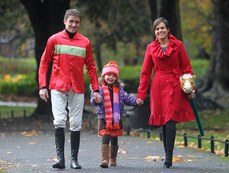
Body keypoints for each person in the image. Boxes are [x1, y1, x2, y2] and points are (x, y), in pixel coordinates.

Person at [38, 9, 101, 169]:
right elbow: (44, 62)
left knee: (76, 123)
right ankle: (61, 160)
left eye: (77, 22)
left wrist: (96, 89)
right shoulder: (54, 39)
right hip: (58, 86)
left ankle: (74, 160)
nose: (74, 24)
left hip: (77, 87)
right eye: (71, 21)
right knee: (59, 121)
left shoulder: (85, 42)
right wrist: (42, 86)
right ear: (65, 21)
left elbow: (91, 67)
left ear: (79, 23)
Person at [136, 17, 196, 168]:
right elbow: (145, 73)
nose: (160, 31)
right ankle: (166, 153)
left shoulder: (178, 45)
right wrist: (141, 94)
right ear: (154, 32)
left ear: (168, 30)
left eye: (162, 28)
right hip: (158, 85)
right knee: (163, 120)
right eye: (157, 29)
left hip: (176, 84)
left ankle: (169, 157)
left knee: (170, 119)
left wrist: (190, 86)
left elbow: (186, 67)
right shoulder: (150, 48)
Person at [90, 61, 142, 168]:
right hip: (105, 117)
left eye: (113, 76)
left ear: (116, 77)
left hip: (116, 118)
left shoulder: (120, 89)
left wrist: (136, 100)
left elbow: (127, 98)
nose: (111, 77)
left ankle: (112, 159)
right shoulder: (98, 88)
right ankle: (105, 160)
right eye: (108, 75)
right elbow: (93, 100)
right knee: (106, 136)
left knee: (114, 138)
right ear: (104, 76)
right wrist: (97, 100)